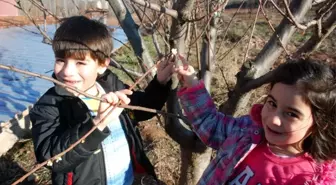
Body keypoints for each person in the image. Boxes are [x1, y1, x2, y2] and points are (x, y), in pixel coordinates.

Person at [30, 16, 174, 185]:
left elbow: (141, 108)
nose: (67, 72)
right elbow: (51, 158)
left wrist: (160, 83)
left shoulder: (111, 85)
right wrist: (97, 124)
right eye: (60, 60)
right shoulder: (49, 105)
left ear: (102, 65)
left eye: (80, 62)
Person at [175, 58, 336, 185]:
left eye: (291, 114)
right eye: (272, 103)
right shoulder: (248, 131)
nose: (274, 119)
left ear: (319, 123)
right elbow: (213, 126)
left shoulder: (306, 179)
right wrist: (192, 84)